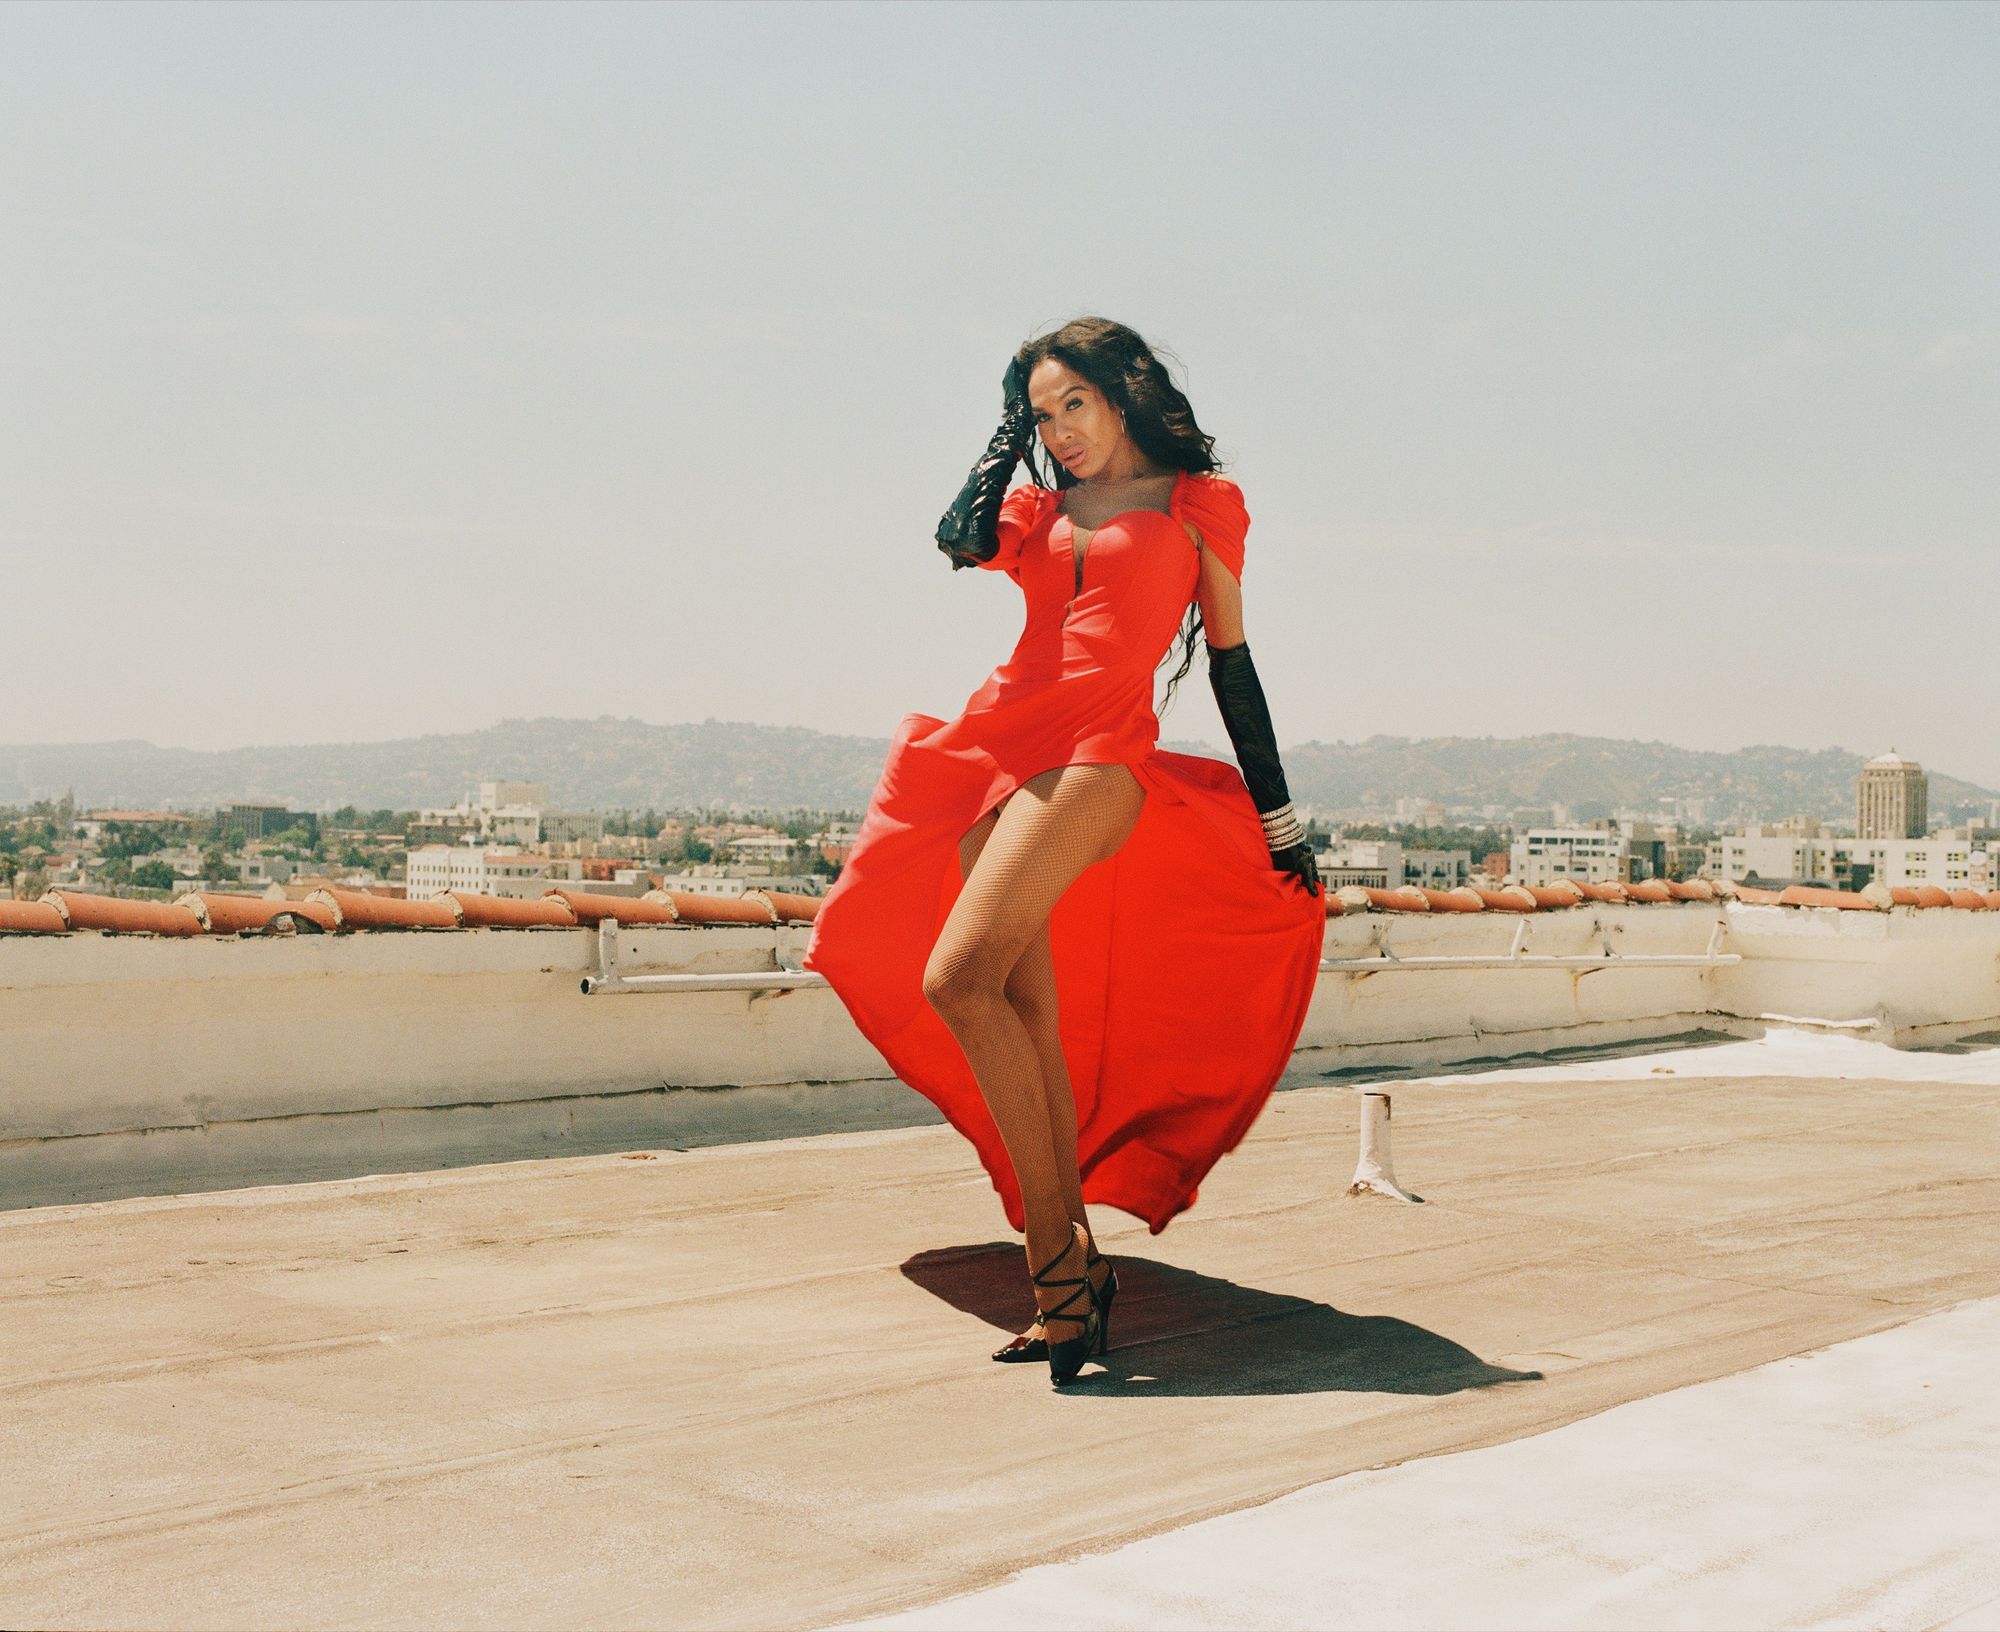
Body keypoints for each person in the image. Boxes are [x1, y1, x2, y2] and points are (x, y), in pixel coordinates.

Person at [802, 317, 1325, 1385]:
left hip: (1097, 760)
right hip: (996, 746)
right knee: (1017, 1011)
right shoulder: (1037, 507)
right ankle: (1070, 1273)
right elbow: (954, 536)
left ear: (1123, 393)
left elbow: (1231, 662)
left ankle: (1060, 1273)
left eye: (1072, 404)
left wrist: (1278, 815)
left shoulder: (1196, 506)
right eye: (1040, 413)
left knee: (955, 979)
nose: (1059, 430)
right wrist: (1008, 436)